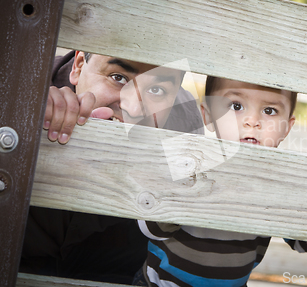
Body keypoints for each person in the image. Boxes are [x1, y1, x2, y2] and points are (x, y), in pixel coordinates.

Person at [20, 51, 204, 283]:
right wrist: (23, 124)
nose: (134, 108)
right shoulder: (19, 84)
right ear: (78, 66)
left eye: (156, 90)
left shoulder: (184, 127)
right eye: (118, 77)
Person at [136, 76, 307, 287]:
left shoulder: (277, 183)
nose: (252, 121)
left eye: (270, 111)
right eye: (236, 106)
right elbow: (152, 227)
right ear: (208, 115)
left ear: (286, 128)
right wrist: (188, 190)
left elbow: (304, 244)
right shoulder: (190, 163)